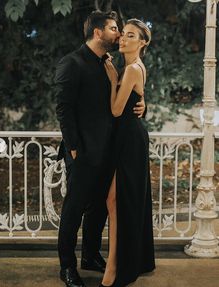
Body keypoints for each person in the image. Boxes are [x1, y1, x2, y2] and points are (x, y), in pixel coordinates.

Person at [55, 11, 146, 287]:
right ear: (98, 32)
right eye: (113, 29)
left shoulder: (109, 62)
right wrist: (73, 149)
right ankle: (67, 267)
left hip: (109, 151)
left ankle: (90, 256)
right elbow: (63, 109)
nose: (118, 33)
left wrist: (144, 106)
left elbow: (126, 94)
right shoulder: (72, 63)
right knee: (74, 210)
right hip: (82, 153)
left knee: (99, 210)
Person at [100, 19, 156, 287]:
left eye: (130, 36)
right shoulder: (130, 67)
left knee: (119, 201)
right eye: (122, 34)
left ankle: (115, 266)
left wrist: (112, 81)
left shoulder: (132, 69)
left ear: (142, 43)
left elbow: (115, 110)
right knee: (117, 201)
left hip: (130, 141)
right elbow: (135, 101)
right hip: (127, 138)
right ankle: (123, 261)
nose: (123, 39)